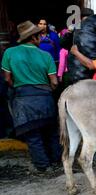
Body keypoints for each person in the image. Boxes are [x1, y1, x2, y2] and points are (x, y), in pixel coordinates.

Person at [1, 21, 61, 173]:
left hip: (23, 100)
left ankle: (43, 166)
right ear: (33, 38)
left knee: (33, 136)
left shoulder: (9, 53)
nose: (41, 37)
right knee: (51, 133)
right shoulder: (46, 55)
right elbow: (54, 82)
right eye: (39, 35)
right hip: (45, 99)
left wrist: (20, 85)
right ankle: (56, 162)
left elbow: (7, 79)